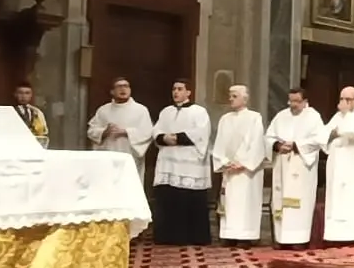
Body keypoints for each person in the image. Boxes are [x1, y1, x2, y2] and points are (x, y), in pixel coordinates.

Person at [149, 81, 213, 245]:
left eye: (180, 89)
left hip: (189, 163)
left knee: (188, 200)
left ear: (189, 92)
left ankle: (193, 237)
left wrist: (178, 137)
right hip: (169, 163)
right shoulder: (166, 111)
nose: (176, 92)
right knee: (169, 199)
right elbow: (156, 130)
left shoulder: (199, 111)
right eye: (174, 89)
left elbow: (201, 132)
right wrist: (163, 137)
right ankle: (168, 236)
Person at [265, 88, 327, 248]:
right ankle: (281, 239)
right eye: (290, 101)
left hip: (301, 166)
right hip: (283, 165)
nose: (292, 105)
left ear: (305, 101)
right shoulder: (281, 116)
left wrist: (296, 145)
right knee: (281, 201)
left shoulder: (313, 117)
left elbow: (319, 139)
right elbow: (268, 136)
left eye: (296, 101)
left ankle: (299, 239)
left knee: (299, 203)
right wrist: (278, 145)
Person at [213, 85, 267, 246]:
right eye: (230, 96)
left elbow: (257, 144)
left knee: (245, 202)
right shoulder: (225, 119)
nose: (230, 98)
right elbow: (219, 144)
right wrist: (224, 162)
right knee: (230, 202)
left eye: (234, 96)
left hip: (247, 171)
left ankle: (246, 236)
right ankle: (229, 235)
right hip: (230, 169)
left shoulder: (254, 118)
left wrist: (243, 163)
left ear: (245, 98)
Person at [322, 87, 354, 244]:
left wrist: (340, 128)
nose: (343, 103)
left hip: (353, 160)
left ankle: (353, 235)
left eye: (348, 100)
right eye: (341, 99)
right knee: (336, 195)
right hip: (336, 161)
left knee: (352, 194)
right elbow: (325, 134)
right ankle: (335, 236)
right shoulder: (338, 115)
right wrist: (333, 134)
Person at [88, 77, 155, 181]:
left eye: (126, 86)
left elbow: (147, 132)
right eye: (119, 86)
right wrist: (104, 132)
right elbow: (91, 131)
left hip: (130, 156)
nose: (123, 89)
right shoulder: (103, 110)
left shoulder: (140, 110)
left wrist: (126, 132)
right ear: (112, 91)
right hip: (108, 156)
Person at [11, 83, 49, 147]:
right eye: (20, 93)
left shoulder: (37, 112)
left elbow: (44, 131)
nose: (24, 96)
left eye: (27, 93)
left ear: (31, 95)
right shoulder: (11, 111)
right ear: (15, 94)